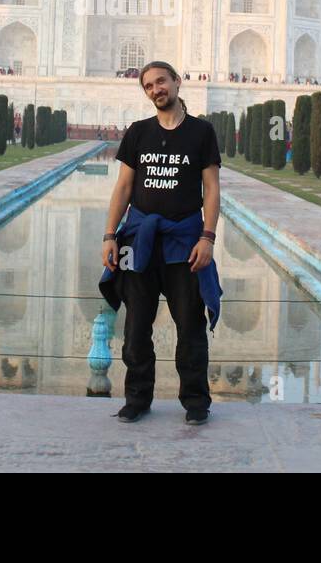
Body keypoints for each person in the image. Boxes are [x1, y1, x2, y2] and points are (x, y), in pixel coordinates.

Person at [99, 59, 222, 426]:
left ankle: (196, 403)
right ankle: (137, 398)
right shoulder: (139, 132)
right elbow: (123, 187)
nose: (156, 90)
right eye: (149, 86)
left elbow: (212, 188)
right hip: (139, 238)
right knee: (136, 327)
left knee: (189, 325)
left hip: (183, 239)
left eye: (161, 82)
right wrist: (109, 235)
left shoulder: (201, 132)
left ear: (177, 82)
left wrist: (208, 237)